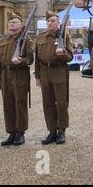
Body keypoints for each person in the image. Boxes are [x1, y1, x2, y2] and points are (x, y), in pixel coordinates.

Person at [35, 11, 73, 145]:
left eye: (53, 21)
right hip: (44, 72)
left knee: (61, 103)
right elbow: (36, 58)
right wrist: (37, 76)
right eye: (49, 21)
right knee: (48, 103)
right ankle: (52, 131)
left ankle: (61, 131)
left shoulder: (64, 36)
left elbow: (70, 57)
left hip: (59, 71)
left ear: (58, 23)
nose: (51, 23)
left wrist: (62, 54)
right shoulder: (40, 37)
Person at [0, 12, 34, 146]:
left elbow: (30, 59)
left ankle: (20, 132)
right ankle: (11, 132)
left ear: (21, 25)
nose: (12, 24)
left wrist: (21, 61)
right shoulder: (2, 41)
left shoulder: (26, 40)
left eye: (15, 22)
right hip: (5, 75)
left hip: (19, 74)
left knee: (20, 103)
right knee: (8, 104)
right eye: (10, 22)